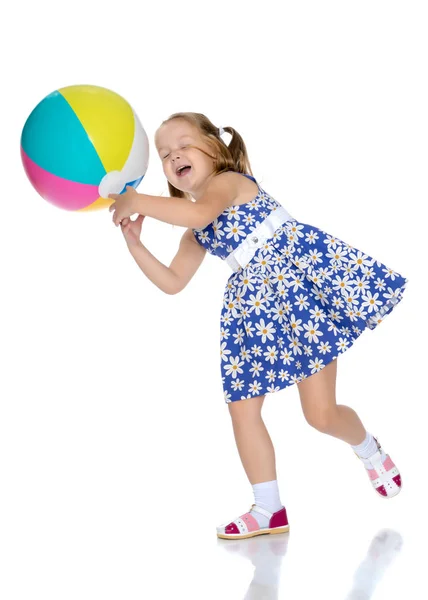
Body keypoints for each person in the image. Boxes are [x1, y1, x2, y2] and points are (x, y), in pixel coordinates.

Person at [108, 112, 408, 540]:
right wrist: (134, 243)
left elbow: (199, 214)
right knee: (242, 409)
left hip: (298, 296)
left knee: (320, 415)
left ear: (214, 147)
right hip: (255, 313)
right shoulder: (194, 231)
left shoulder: (227, 183)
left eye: (184, 145)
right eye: (165, 154)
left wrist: (138, 201)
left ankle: (368, 448)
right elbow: (173, 282)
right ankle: (268, 508)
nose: (175, 157)